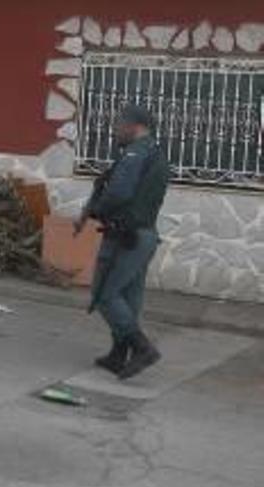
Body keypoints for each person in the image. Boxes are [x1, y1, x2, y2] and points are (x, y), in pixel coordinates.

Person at [74, 104, 170, 380]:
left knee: (105, 294)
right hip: (144, 235)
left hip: (124, 237)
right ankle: (118, 354)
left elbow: (118, 191)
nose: (116, 129)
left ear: (134, 126)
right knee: (129, 297)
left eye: (119, 124)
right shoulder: (156, 154)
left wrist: (95, 211)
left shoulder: (134, 154)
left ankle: (142, 348)